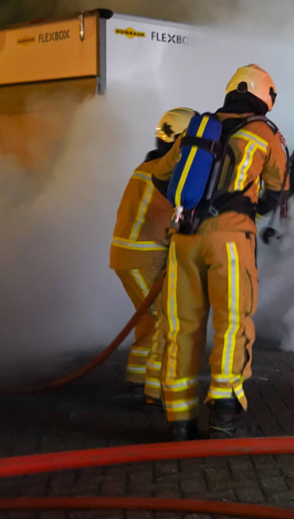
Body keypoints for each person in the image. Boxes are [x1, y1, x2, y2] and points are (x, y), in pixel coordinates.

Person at [153, 65, 288, 440]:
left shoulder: (197, 129)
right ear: (263, 96)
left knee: (180, 326)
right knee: (232, 324)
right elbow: (277, 189)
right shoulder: (265, 132)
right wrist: (248, 211)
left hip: (183, 238)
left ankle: (179, 421)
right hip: (230, 240)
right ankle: (224, 418)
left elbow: (160, 175)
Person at [109, 107, 195, 409]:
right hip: (142, 256)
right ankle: (156, 390)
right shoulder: (166, 172)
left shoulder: (148, 166)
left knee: (150, 317)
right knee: (167, 320)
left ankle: (137, 378)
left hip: (131, 254)